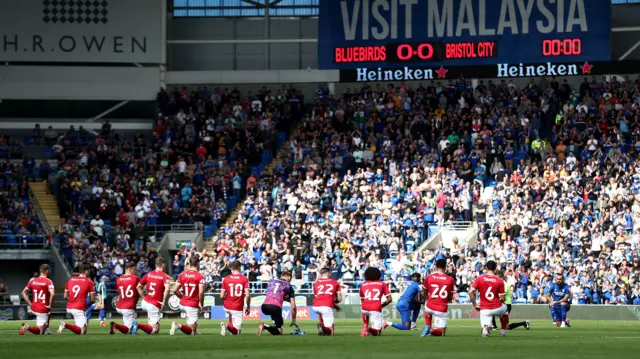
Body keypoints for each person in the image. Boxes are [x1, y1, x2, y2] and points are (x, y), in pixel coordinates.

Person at [469, 260, 508, 337]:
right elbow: (503, 298)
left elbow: (470, 292)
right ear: (495, 268)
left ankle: (486, 329)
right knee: (505, 310)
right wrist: (501, 300)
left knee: (485, 331)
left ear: (486, 268)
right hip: (497, 307)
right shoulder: (500, 281)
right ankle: (502, 332)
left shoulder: (479, 279)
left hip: (484, 309)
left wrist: (475, 304)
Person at [170, 256, 205, 335]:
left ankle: (194, 329)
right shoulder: (200, 276)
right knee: (191, 332)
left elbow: (174, 290)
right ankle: (177, 325)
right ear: (198, 264)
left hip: (182, 303)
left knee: (194, 330)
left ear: (189, 263)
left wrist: (182, 297)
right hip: (192, 304)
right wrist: (201, 304)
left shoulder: (182, 275)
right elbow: (201, 292)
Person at [421, 258, 455, 337]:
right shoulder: (450, 280)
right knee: (441, 333)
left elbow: (424, 291)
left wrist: (427, 298)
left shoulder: (429, 277)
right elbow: (450, 297)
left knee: (427, 305)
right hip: (441, 308)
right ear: (445, 267)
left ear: (435, 267)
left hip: (429, 306)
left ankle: (428, 325)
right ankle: (431, 330)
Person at [137, 257, 171, 335]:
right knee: (154, 331)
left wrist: (144, 298)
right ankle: (138, 325)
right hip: (153, 304)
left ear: (156, 265)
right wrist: (164, 301)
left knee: (154, 330)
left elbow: (138, 286)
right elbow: (167, 289)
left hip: (145, 303)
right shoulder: (164, 276)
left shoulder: (148, 274)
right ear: (163, 265)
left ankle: (145, 326)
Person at [58, 264, 95, 335]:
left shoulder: (70, 280)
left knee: (81, 328)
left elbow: (65, 296)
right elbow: (93, 300)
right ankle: (65, 325)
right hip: (79, 308)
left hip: (69, 307)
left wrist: (73, 301)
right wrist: (85, 307)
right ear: (86, 271)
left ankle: (69, 325)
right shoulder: (89, 282)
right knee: (82, 332)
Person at [257, 271, 296, 336]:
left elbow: (273, 293)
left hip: (264, 307)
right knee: (279, 332)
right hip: (275, 307)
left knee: (277, 324)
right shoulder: (289, 286)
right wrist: (294, 320)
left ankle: (271, 325)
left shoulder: (271, 281)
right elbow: (293, 306)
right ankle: (265, 326)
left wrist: (283, 298)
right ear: (289, 277)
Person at [20, 264, 55, 335]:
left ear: (40, 271)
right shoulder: (48, 281)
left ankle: (46, 328)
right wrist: (50, 305)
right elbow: (53, 294)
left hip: (34, 307)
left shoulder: (33, 281)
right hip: (42, 309)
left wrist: (30, 304)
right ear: (47, 271)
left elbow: (23, 293)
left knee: (48, 314)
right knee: (40, 332)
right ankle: (26, 326)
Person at [220, 260, 250, 336]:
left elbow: (221, 296)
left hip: (227, 306)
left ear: (231, 268)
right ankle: (226, 326)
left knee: (231, 313)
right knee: (237, 332)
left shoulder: (226, 279)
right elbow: (248, 295)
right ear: (240, 267)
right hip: (237, 307)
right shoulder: (244, 279)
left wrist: (228, 299)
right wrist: (248, 307)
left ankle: (228, 326)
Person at [359, 267, 392, 337]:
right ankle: (371, 329)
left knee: (364, 308)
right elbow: (389, 299)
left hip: (364, 309)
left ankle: (365, 326)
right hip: (375, 309)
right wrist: (381, 305)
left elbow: (362, 300)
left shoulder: (363, 284)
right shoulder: (382, 284)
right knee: (377, 333)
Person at [110, 261, 140, 335]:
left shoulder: (118, 279)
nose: (135, 271)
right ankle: (115, 325)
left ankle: (123, 325)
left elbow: (119, 293)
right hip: (128, 307)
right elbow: (139, 291)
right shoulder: (135, 278)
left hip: (119, 306)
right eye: (134, 270)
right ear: (130, 269)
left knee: (130, 324)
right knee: (128, 331)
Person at [312, 267, 342, 336]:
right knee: (330, 331)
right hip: (326, 306)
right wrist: (334, 303)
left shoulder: (316, 283)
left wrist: (333, 305)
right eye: (330, 273)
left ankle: (322, 327)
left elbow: (319, 297)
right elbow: (339, 299)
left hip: (315, 306)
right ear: (328, 273)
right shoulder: (335, 282)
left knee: (321, 313)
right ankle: (323, 327)